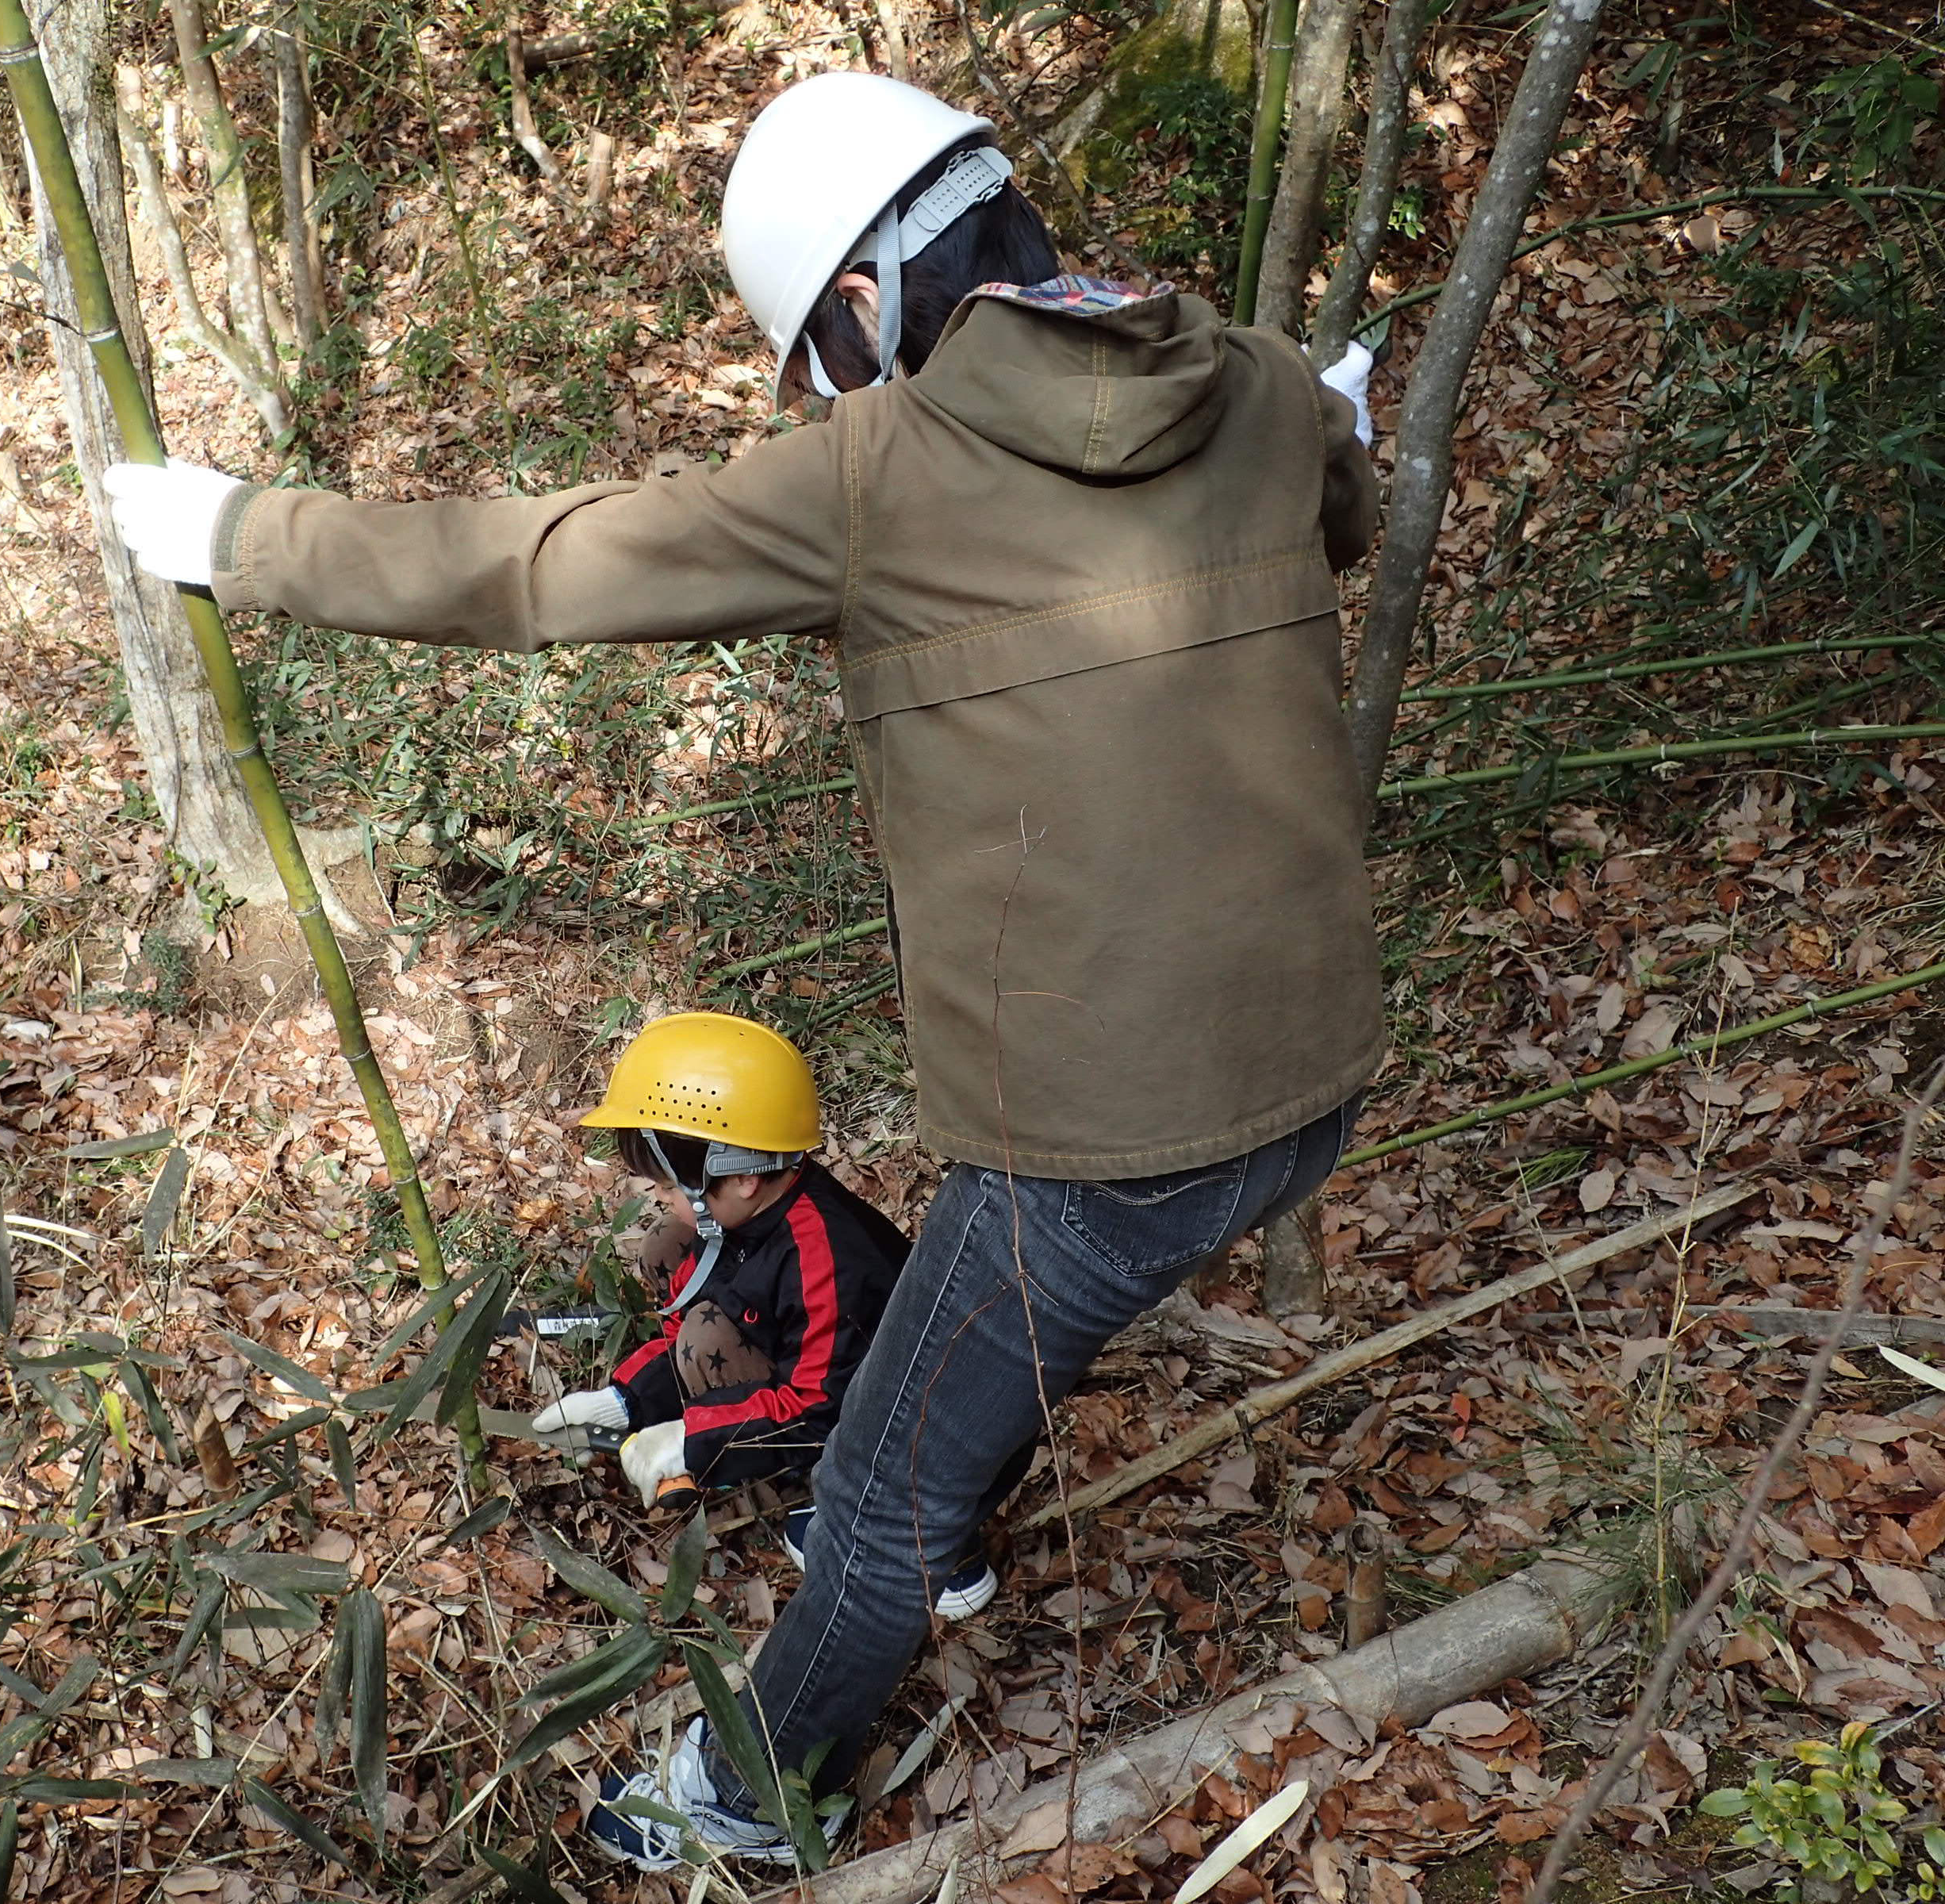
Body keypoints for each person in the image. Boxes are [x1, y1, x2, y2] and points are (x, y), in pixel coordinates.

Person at [102, 68, 1382, 1873]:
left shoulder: (879, 469)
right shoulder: (1249, 377)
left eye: (814, 361)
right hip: (1314, 1073)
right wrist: (1338, 431)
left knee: (869, 1482)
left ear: (860, 307)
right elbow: (1342, 512)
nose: (823, 395)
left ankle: (745, 1789)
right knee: (961, 1358)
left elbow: (536, 565)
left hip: (1105, 1142)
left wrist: (244, 536)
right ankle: (940, 1519)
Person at [535, 1012, 933, 1544]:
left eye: (668, 1184)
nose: (656, 1196)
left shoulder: (826, 1259)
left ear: (742, 1175)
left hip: (896, 1433)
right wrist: (627, 1403)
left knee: (705, 1335)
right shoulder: (749, 1215)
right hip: (803, 1374)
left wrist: (694, 1442)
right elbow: (715, 1307)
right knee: (668, 1246)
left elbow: (822, 1407)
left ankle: (867, 1520)